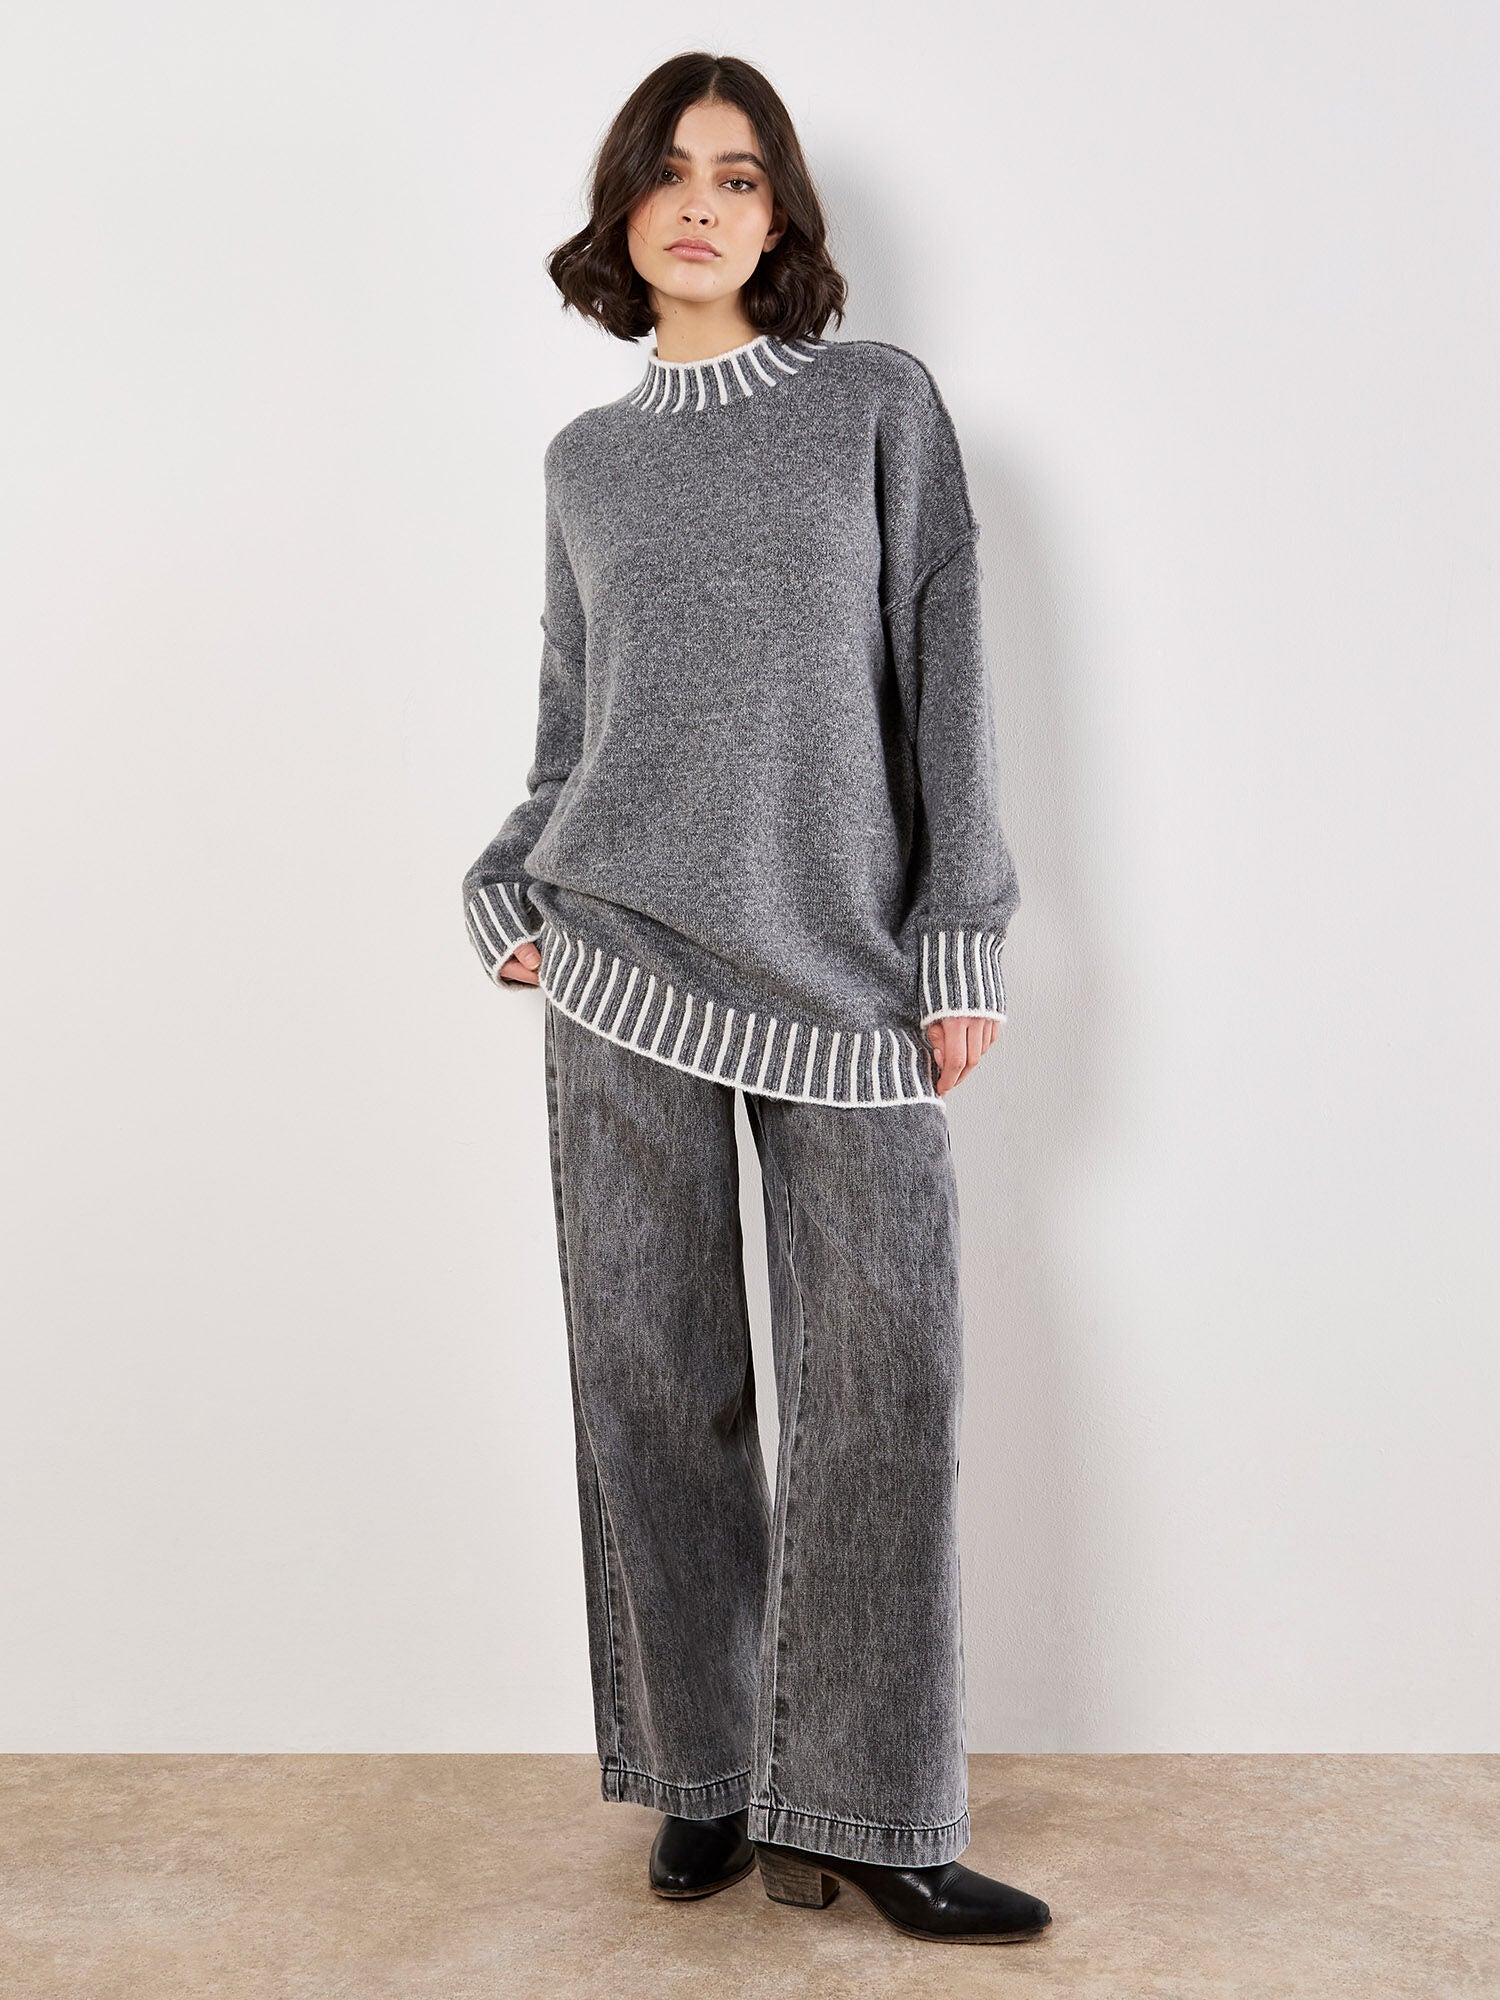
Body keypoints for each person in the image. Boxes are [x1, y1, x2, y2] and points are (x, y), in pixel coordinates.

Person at [461, 52, 1050, 1947]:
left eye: (738, 174)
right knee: (657, 1386)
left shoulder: (875, 406)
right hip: (620, 960)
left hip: (845, 974)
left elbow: (945, 667)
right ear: (622, 210)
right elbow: (575, 729)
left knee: (884, 1392)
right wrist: (507, 877)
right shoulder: (587, 464)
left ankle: (870, 1810)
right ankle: (707, 1773)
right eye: (669, 172)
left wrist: (959, 934)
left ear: (780, 212)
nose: (701, 204)